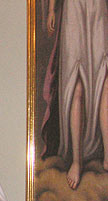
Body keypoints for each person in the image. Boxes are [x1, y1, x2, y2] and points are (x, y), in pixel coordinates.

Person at [41, 0, 108, 189]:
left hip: (98, 6)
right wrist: (52, 9)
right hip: (73, 8)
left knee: (104, 78)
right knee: (75, 84)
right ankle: (77, 161)